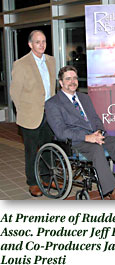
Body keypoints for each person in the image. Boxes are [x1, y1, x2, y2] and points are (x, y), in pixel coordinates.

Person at [45, 65, 115, 200]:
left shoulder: (84, 98)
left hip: (94, 136)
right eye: (68, 79)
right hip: (75, 142)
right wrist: (87, 137)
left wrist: (99, 132)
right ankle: (112, 190)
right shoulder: (53, 103)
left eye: (75, 78)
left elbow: (95, 119)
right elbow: (60, 132)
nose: (72, 82)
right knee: (96, 149)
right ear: (61, 83)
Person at [10, 30, 56, 197]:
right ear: (30, 44)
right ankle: (33, 182)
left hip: (48, 114)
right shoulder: (21, 64)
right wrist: (23, 112)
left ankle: (46, 178)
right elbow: (14, 92)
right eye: (38, 42)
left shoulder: (51, 60)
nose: (42, 44)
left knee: (48, 149)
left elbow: (52, 87)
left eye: (44, 41)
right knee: (31, 151)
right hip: (30, 116)